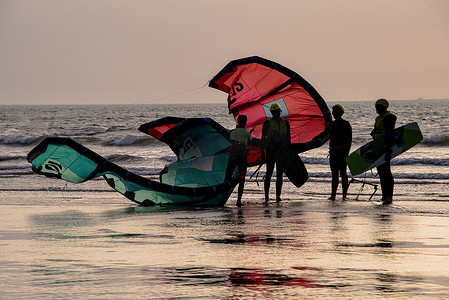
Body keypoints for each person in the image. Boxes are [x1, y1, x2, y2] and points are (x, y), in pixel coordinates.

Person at [261, 103, 291, 202]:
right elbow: (263, 138)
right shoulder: (267, 123)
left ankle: (278, 196)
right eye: (275, 112)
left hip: (281, 151)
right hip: (271, 151)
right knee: (269, 173)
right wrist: (263, 151)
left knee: (279, 174)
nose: (276, 114)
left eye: (277, 112)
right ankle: (267, 197)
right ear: (272, 112)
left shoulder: (285, 123)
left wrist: (288, 150)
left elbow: (288, 137)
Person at [371, 98, 397, 205]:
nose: (376, 109)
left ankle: (389, 196)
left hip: (385, 148)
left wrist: (387, 150)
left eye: (378, 107)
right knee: (381, 172)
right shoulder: (379, 118)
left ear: (383, 107)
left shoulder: (389, 117)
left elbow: (390, 134)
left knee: (387, 173)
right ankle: (384, 195)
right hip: (378, 147)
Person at [225, 114, 252, 207]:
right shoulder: (246, 132)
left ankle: (223, 196)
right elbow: (249, 139)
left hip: (233, 157)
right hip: (242, 157)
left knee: (227, 176)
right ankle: (238, 200)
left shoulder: (232, 132)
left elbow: (230, 139)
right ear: (245, 122)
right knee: (242, 179)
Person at [328, 104, 352, 200]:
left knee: (343, 174)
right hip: (333, 152)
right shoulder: (331, 124)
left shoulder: (346, 124)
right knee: (334, 175)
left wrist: (346, 153)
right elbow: (325, 134)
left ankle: (344, 195)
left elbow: (349, 140)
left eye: (336, 111)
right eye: (333, 112)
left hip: (342, 152)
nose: (334, 113)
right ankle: (333, 195)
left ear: (341, 113)